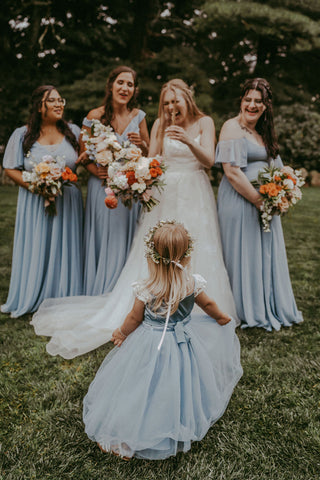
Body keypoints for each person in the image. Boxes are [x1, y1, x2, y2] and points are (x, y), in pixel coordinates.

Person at [31, 78, 238, 358]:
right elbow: (152, 160)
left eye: (175, 101)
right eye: (165, 103)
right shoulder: (159, 124)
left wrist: (187, 140)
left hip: (194, 190)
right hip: (165, 193)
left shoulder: (205, 122)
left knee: (198, 245)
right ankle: (150, 307)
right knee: (155, 248)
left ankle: (203, 305)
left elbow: (209, 161)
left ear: (187, 99)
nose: (170, 107)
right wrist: (143, 171)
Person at [83, 221, 243, 460]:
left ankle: (128, 435)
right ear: (187, 256)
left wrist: (122, 332)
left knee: (141, 383)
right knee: (178, 381)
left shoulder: (147, 288)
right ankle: (172, 420)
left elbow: (134, 318)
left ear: (152, 256)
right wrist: (222, 318)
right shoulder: (192, 284)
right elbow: (208, 305)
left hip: (149, 343)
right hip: (183, 343)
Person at [215, 77, 303, 331]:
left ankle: (268, 304)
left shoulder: (262, 131)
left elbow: (276, 164)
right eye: (248, 100)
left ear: (266, 106)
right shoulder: (232, 127)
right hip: (240, 200)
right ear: (241, 102)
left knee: (264, 254)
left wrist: (283, 192)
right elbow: (231, 172)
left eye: (258, 101)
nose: (252, 105)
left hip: (266, 201)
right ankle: (246, 308)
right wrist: (257, 200)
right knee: (243, 254)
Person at [1, 85, 83, 318]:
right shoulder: (21, 135)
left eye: (61, 100)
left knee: (65, 247)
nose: (59, 104)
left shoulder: (74, 132)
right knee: (37, 245)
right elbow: (9, 168)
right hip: (34, 202)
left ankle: (63, 296)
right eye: (52, 100)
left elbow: (86, 161)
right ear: (40, 106)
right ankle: (33, 294)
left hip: (68, 202)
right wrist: (39, 187)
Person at [80, 65, 149, 295]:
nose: (125, 88)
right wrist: (94, 170)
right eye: (121, 82)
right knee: (104, 236)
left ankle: (122, 292)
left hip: (129, 189)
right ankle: (99, 290)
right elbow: (83, 155)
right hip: (101, 188)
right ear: (111, 85)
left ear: (134, 90)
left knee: (124, 237)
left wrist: (142, 143)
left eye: (130, 84)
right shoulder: (94, 116)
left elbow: (148, 154)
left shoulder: (139, 117)